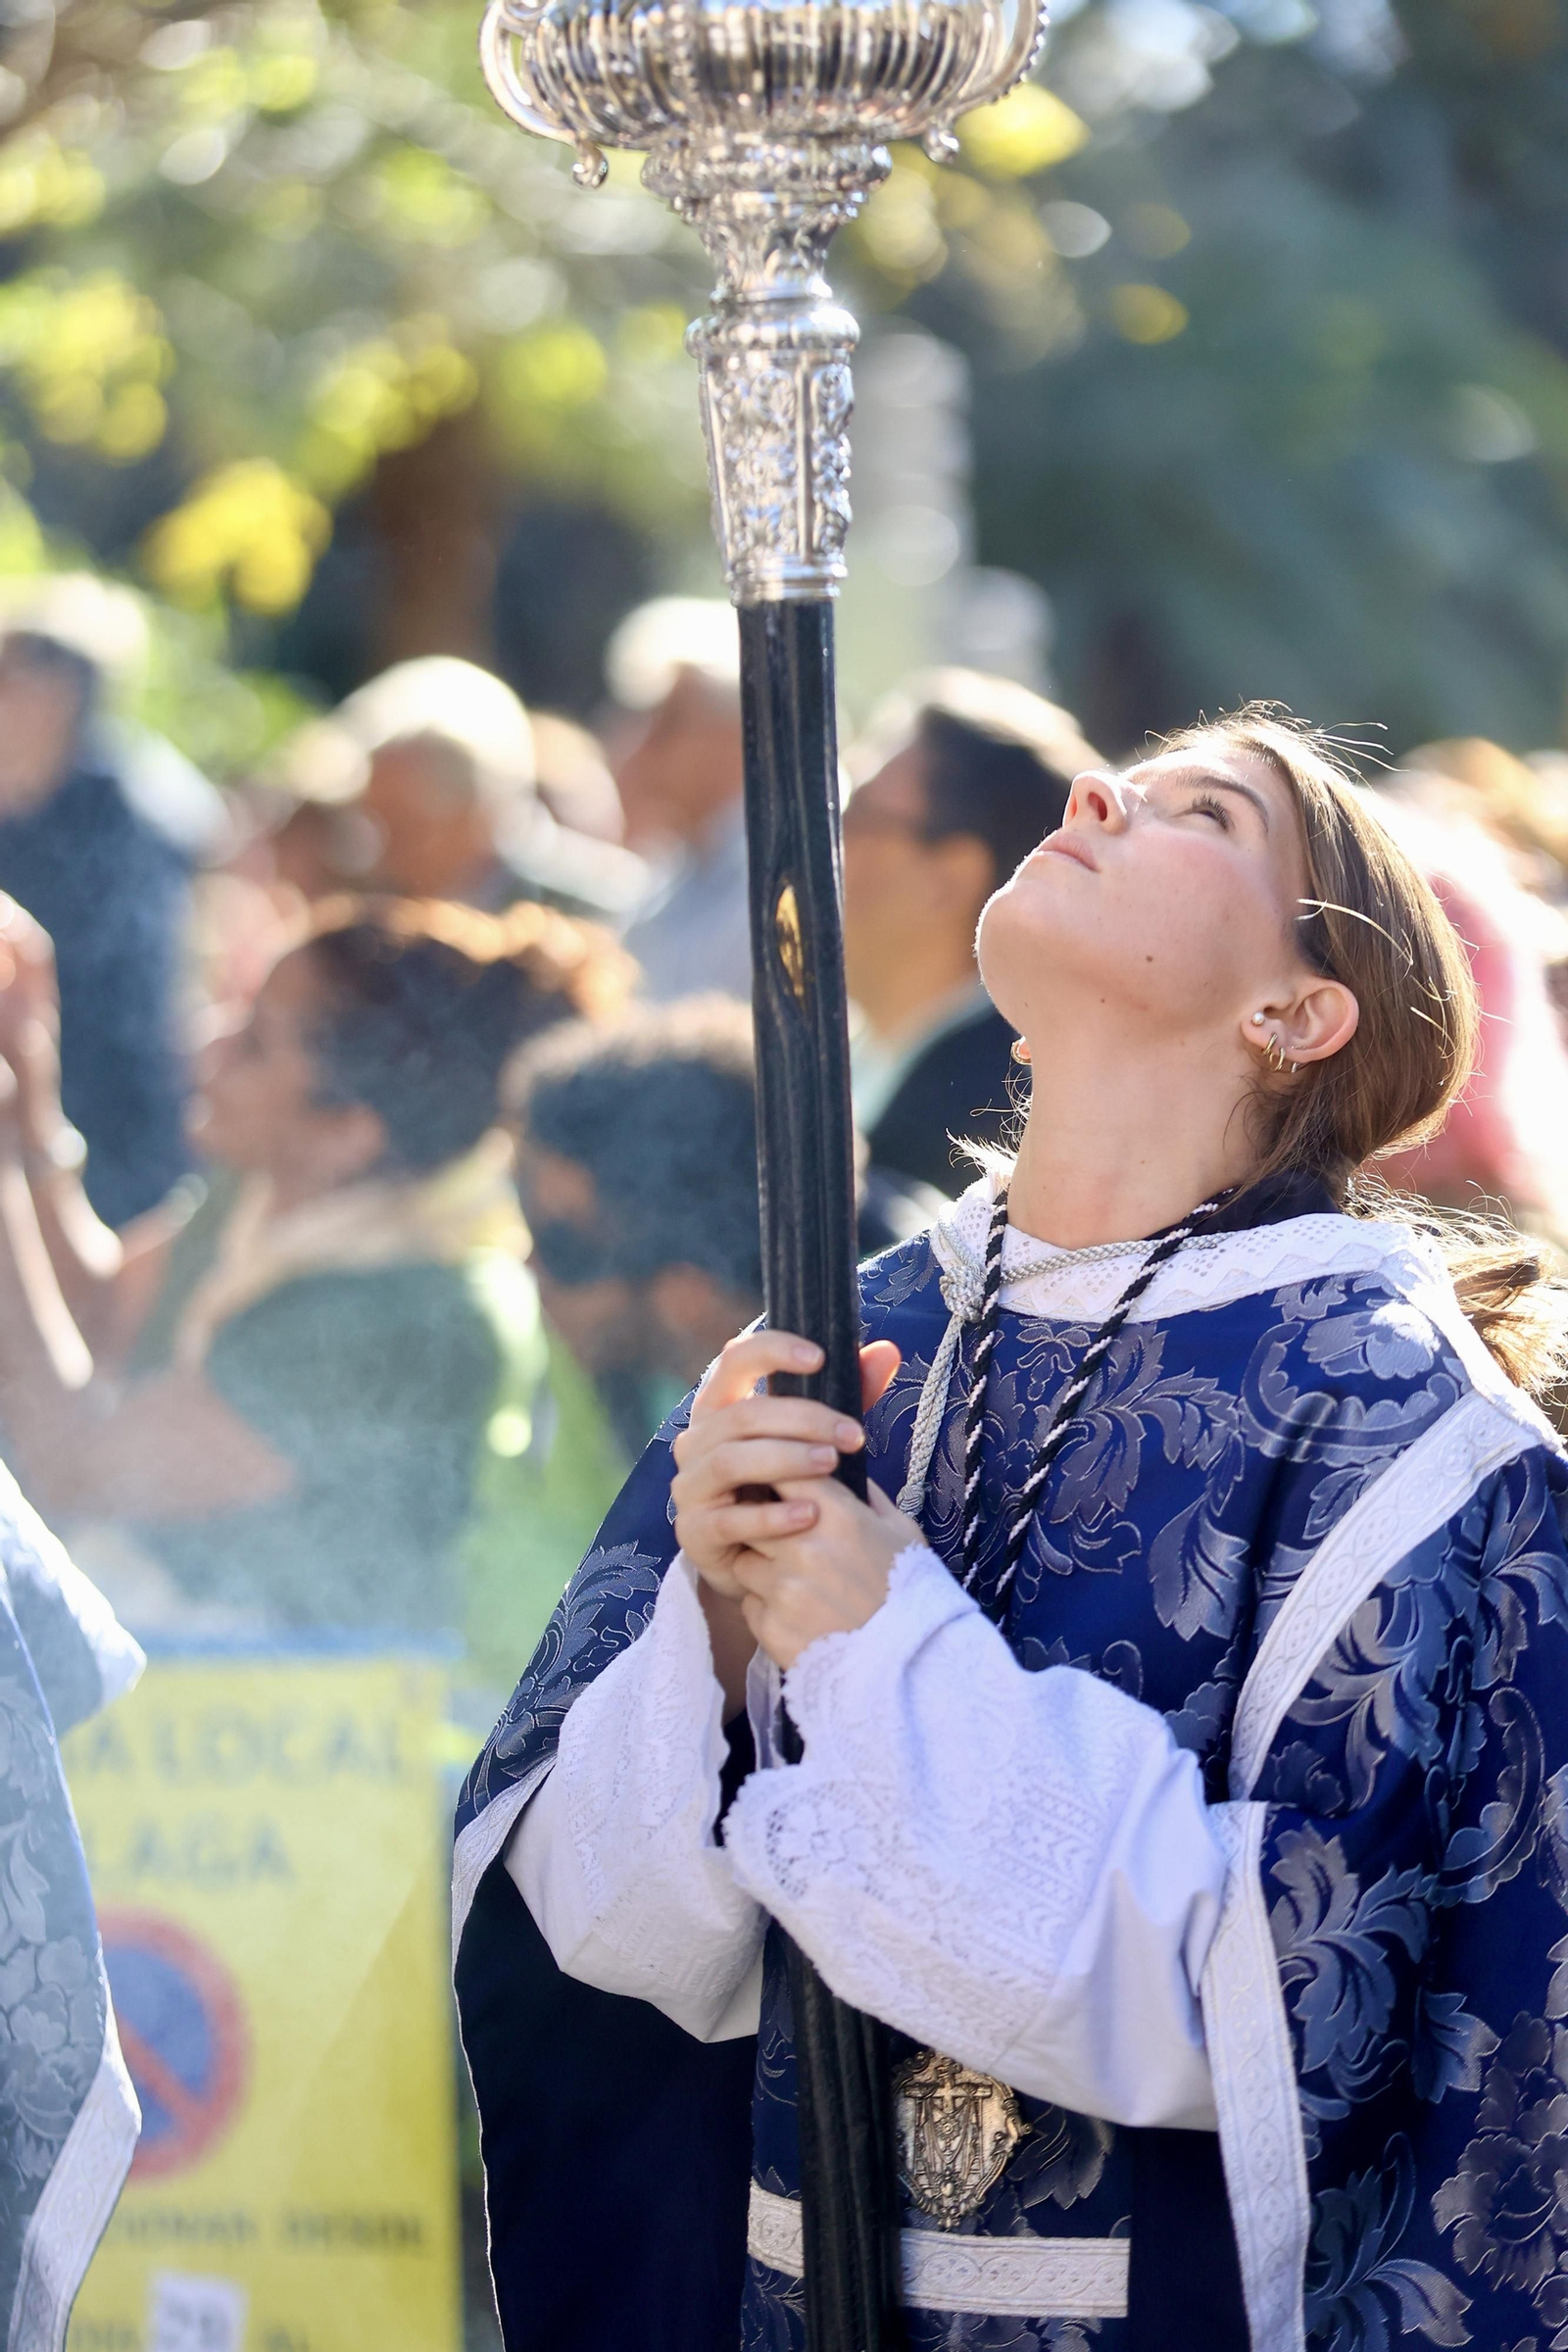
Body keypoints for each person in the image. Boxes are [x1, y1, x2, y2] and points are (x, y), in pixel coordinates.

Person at [454, 704, 1568, 2352]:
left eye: (1206, 814)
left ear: (1297, 1008)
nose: (1101, 791)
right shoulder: (849, 1336)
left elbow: (1301, 2013)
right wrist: (706, 1631)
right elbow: (602, 1941)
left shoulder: (1398, 1433)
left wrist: (875, 1641)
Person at [0, 893, 628, 1640]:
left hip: (319, 1729)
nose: (211, 1044)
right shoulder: (267, 1192)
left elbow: (80, 1468)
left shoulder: (410, 1316)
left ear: (348, 1132)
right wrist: (26, 1073)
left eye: (257, 1042)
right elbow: (99, 1314)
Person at [0, 582, 221, 1227]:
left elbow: (128, 999)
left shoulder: (135, 813)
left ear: (60, 694)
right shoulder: (16, 803)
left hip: (111, 1122)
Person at [844, 669, 1102, 1197]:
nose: (824, 843)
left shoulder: (991, 1124)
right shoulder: (856, 1055)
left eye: (856, 816)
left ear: (947, 879)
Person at [265, 659, 646, 927]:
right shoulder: (379, 919)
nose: (378, 850)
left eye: (402, 823)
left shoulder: (602, 910)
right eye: (371, 820)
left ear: (475, 813)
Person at [609, 600, 752, 1003]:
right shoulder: (666, 881)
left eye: (668, 723)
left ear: (734, 733)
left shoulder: (783, 873)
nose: (644, 747)